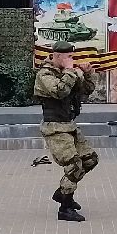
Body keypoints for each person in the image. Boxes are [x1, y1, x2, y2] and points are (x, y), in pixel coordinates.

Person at [33, 41, 99, 222]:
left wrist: (88, 73)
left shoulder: (68, 72)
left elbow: (87, 90)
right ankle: (65, 208)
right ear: (57, 56)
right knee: (74, 165)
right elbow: (60, 91)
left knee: (90, 159)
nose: (72, 60)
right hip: (54, 128)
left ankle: (62, 193)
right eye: (69, 57)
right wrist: (70, 71)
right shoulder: (44, 74)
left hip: (69, 125)